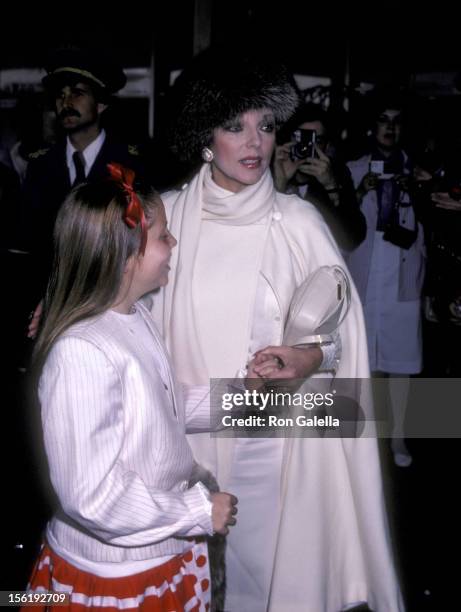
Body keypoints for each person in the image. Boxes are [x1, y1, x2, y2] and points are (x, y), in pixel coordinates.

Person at [151, 48, 404, 611]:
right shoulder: (163, 218)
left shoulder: (299, 222)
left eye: (265, 126)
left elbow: (344, 336)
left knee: (267, 584)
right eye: (234, 126)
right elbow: (124, 310)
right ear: (204, 136)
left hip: (274, 444)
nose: (254, 142)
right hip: (184, 445)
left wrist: (310, 359)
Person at [24, 164, 237, 611]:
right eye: (163, 236)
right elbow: (92, 496)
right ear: (124, 256)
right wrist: (196, 512)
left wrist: (257, 400)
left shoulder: (134, 316)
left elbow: (165, 408)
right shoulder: (81, 351)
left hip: (156, 555)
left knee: (360, 409)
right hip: (117, 577)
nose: (174, 244)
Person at [21, 46, 146, 307]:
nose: (66, 103)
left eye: (77, 93)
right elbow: (31, 245)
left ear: (100, 105)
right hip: (50, 301)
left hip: (112, 300)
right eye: (60, 96)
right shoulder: (40, 165)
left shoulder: (132, 164)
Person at [346, 94, 425, 468]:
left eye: (396, 120)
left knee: (401, 361)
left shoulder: (420, 171)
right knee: (363, 360)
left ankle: (398, 438)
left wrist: (419, 192)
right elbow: (340, 223)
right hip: (365, 271)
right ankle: (365, 440)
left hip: (401, 273)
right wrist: (360, 192)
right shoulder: (351, 169)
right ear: (370, 126)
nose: (390, 127)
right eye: (382, 119)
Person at [273, 103, 366, 251]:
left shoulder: (337, 176)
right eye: (302, 138)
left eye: (316, 141)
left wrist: (331, 188)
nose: (307, 148)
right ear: (289, 138)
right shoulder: (267, 172)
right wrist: (278, 186)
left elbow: (351, 241)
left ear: (327, 147)